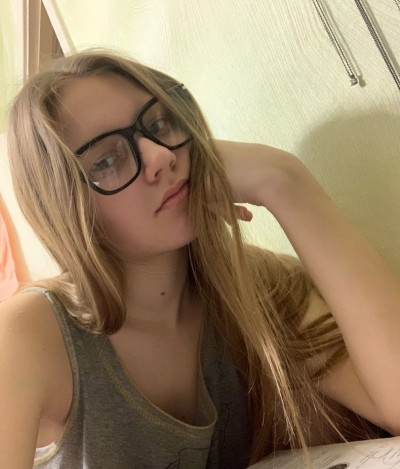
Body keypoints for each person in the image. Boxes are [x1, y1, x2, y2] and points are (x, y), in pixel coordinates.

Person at [1, 50, 399, 469]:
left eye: (159, 124)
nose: (161, 156)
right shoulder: (28, 336)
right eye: (106, 160)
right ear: (64, 207)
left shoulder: (259, 286)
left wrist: (283, 179)